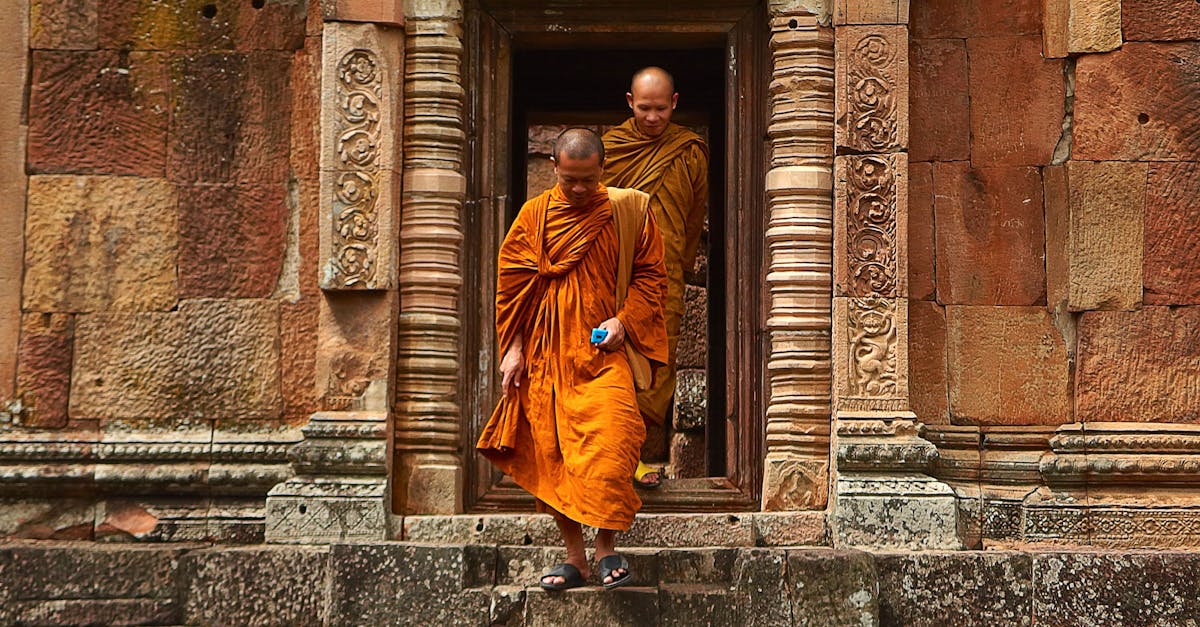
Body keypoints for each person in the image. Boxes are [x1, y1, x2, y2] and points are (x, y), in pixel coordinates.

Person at [476, 128, 669, 591]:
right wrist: (514, 350)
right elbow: (513, 289)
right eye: (569, 181)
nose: (579, 190)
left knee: (613, 443)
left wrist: (624, 321)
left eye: (587, 179)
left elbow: (652, 278)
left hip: (604, 355)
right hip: (547, 356)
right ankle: (575, 558)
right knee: (556, 456)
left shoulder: (630, 211)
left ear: (602, 169)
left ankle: (606, 548)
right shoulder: (535, 217)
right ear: (554, 169)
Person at [602, 66, 709, 489]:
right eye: (644, 108)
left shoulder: (689, 152)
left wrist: (678, 267)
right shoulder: (610, 149)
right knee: (610, 366)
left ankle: (641, 459)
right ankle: (607, 459)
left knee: (656, 368)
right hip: (613, 280)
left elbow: (693, 215)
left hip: (664, 281)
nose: (652, 117)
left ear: (675, 103)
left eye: (660, 109)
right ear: (630, 103)